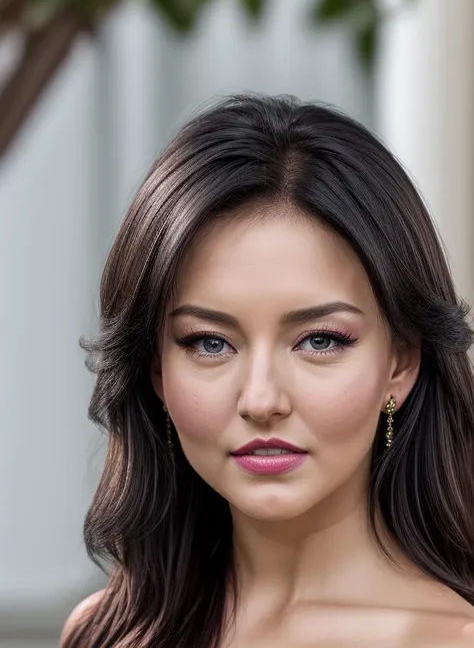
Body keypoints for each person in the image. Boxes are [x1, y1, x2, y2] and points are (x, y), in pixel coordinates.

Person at [60, 93, 474, 647]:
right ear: (156, 371)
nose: (260, 399)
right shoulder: (105, 633)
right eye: (209, 343)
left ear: (400, 361)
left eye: (319, 340)